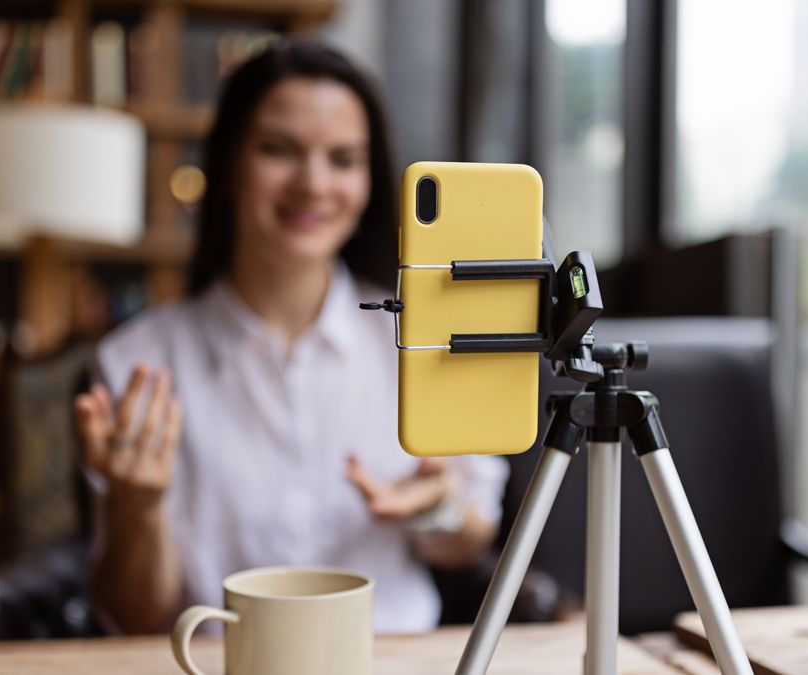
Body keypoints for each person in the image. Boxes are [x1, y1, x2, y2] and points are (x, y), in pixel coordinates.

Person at [73, 39, 508, 636]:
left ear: (369, 180)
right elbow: (137, 616)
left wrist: (437, 509)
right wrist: (137, 508)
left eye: (344, 159)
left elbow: (471, 539)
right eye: (279, 150)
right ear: (228, 164)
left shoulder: (424, 339)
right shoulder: (138, 363)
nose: (313, 184)